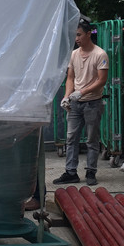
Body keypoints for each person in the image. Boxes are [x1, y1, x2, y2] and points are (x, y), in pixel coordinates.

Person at [53, 17, 109, 186]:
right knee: (71, 139)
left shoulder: (100, 54)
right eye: (74, 35)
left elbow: (101, 80)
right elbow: (70, 78)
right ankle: (71, 172)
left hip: (93, 103)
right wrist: (67, 96)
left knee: (92, 140)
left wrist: (82, 92)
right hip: (75, 104)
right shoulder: (74, 54)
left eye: (79, 35)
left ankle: (91, 172)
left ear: (88, 33)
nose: (76, 38)